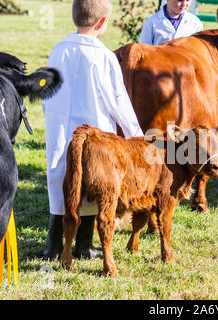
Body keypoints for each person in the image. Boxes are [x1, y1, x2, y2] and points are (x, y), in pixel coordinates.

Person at [42, 0, 144, 261]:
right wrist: (136, 134)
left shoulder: (57, 51)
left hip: (62, 127)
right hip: (95, 133)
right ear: (102, 23)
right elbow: (117, 99)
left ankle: (53, 245)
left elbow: (47, 90)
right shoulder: (104, 56)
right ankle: (84, 244)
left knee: (61, 176)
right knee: (91, 181)